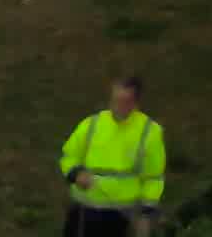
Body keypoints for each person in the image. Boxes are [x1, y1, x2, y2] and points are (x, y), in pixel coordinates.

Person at [59, 73, 167, 233]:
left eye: (124, 101)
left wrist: (145, 215)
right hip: (83, 211)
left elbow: (154, 178)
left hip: (120, 216)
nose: (117, 106)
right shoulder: (91, 124)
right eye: (114, 100)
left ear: (135, 103)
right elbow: (69, 156)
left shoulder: (149, 132)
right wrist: (76, 173)